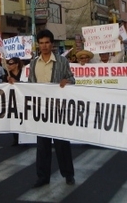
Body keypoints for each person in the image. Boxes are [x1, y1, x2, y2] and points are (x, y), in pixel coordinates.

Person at [27, 29, 75, 188]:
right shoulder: (34, 63)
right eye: (41, 43)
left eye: (47, 42)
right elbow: (29, 84)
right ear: (38, 45)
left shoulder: (62, 61)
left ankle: (68, 174)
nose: (44, 46)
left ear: (52, 44)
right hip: (41, 110)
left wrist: (67, 82)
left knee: (62, 144)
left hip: (58, 109)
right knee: (42, 146)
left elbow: (72, 78)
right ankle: (42, 177)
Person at [5, 57, 24, 146]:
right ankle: (16, 138)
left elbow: (27, 83)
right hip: (12, 99)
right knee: (14, 118)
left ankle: (24, 137)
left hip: (23, 98)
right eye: (8, 63)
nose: (9, 65)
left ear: (16, 64)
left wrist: (16, 82)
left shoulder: (23, 73)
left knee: (24, 117)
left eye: (11, 63)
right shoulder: (6, 75)